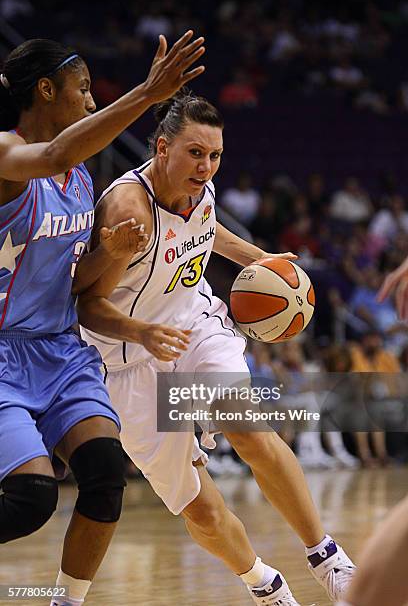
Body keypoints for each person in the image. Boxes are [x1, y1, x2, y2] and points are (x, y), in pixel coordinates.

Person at [78, 90, 355, 605]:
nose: (207, 167)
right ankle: (263, 584)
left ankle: (328, 559)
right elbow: (86, 306)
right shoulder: (128, 210)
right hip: (128, 361)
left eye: (215, 155)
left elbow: (208, 230)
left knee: (248, 426)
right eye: (195, 153)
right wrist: (141, 333)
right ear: (161, 149)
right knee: (201, 511)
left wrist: (261, 256)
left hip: (196, 327)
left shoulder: (198, 188)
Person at [0, 33, 205, 606]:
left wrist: (111, 253)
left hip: (60, 350)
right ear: (45, 90)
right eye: (84, 89)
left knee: (104, 474)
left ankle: (66, 601)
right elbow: (53, 155)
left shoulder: (82, 181)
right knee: (32, 497)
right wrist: (147, 94)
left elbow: (83, 289)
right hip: (2, 355)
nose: (92, 102)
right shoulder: (5, 154)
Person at [336, 256, 408, 606]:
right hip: (349, 403)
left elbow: (392, 385)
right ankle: (369, 455)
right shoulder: (355, 353)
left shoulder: (384, 357)